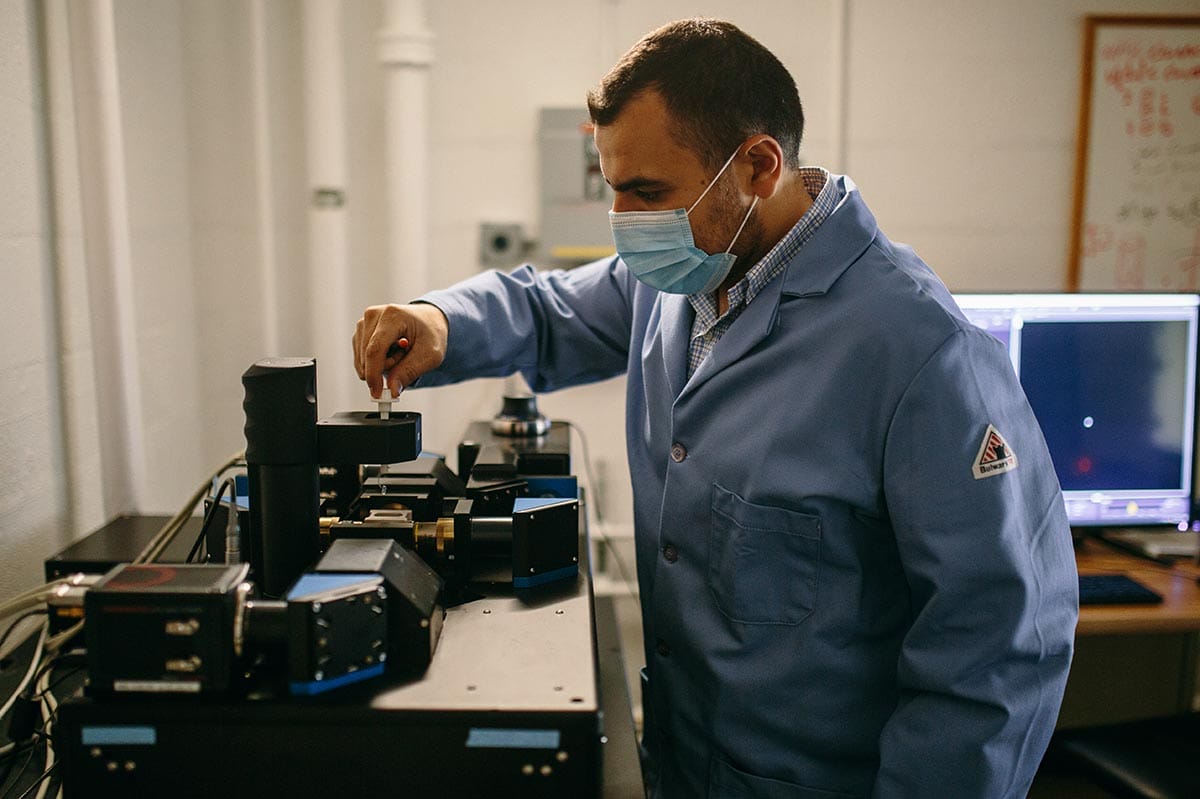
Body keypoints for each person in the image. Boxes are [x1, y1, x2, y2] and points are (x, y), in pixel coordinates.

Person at [353, 18, 1078, 798]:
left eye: (649, 193)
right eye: (614, 189)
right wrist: (440, 320)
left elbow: (998, 648)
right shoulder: (683, 279)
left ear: (759, 166)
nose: (624, 221)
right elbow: (546, 310)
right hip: (683, 763)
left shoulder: (920, 353)